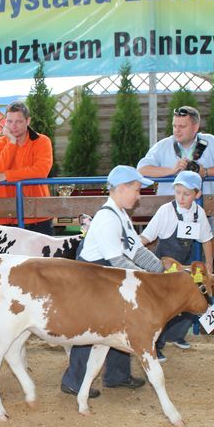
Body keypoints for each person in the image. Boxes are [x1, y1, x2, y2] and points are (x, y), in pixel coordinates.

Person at [60, 165, 164, 397]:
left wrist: (160, 269)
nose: (138, 196)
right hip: (93, 276)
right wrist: (147, 279)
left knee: (119, 322)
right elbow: (117, 259)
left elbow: (136, 250)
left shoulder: (121, 215)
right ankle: (73, 380)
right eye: (136, 190)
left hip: (106, 274)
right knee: (92, 325)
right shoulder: (108, 217)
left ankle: (117, 375)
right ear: (122, 188)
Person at [140, 170, 213, 361]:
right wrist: (129, 245)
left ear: (197, 195)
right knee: (161, 305)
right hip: (163, 265)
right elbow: (147, 237)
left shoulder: (199, 213)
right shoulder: (166, 211)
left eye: (186, 194)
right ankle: (157, 345)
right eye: (178, 192)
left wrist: (209, 267)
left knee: (194, 295)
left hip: (185, 265)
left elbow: (206, 240)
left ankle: (176, 334)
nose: (181, 197)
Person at [137, 106, 214, 206]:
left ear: (196, 127)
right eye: (174, 126)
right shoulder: (163, 145)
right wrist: (171, 171)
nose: (176, 130)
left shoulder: (211, 142)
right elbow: (142, 169)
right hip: (170, 213)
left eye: (182, 126)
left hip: (204, 212)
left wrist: (205, 172)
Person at [0, 101, 54, 234]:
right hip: (7, 215)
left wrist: (7, 176)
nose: (13, 126)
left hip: (39, 213)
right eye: (9, 121)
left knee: (43, 255)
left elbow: (41, 171)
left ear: (28, 121)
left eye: (18, 121)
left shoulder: (42, 141)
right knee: (10, 256)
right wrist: (11, 142)